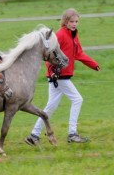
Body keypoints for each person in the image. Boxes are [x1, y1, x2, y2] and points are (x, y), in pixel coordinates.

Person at [25, 8, 101, 145]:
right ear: (65, 21)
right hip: (59, 76)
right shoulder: (59, 35)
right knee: (78, 99)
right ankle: (72, 134)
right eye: (71, 21)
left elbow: (79, 54)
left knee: (50, 107)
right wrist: (52, 71)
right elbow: (48, 55)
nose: (74, 24)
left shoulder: (74, 35)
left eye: (76, 21)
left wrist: (93, 64)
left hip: (62, 76)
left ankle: (33, 136)